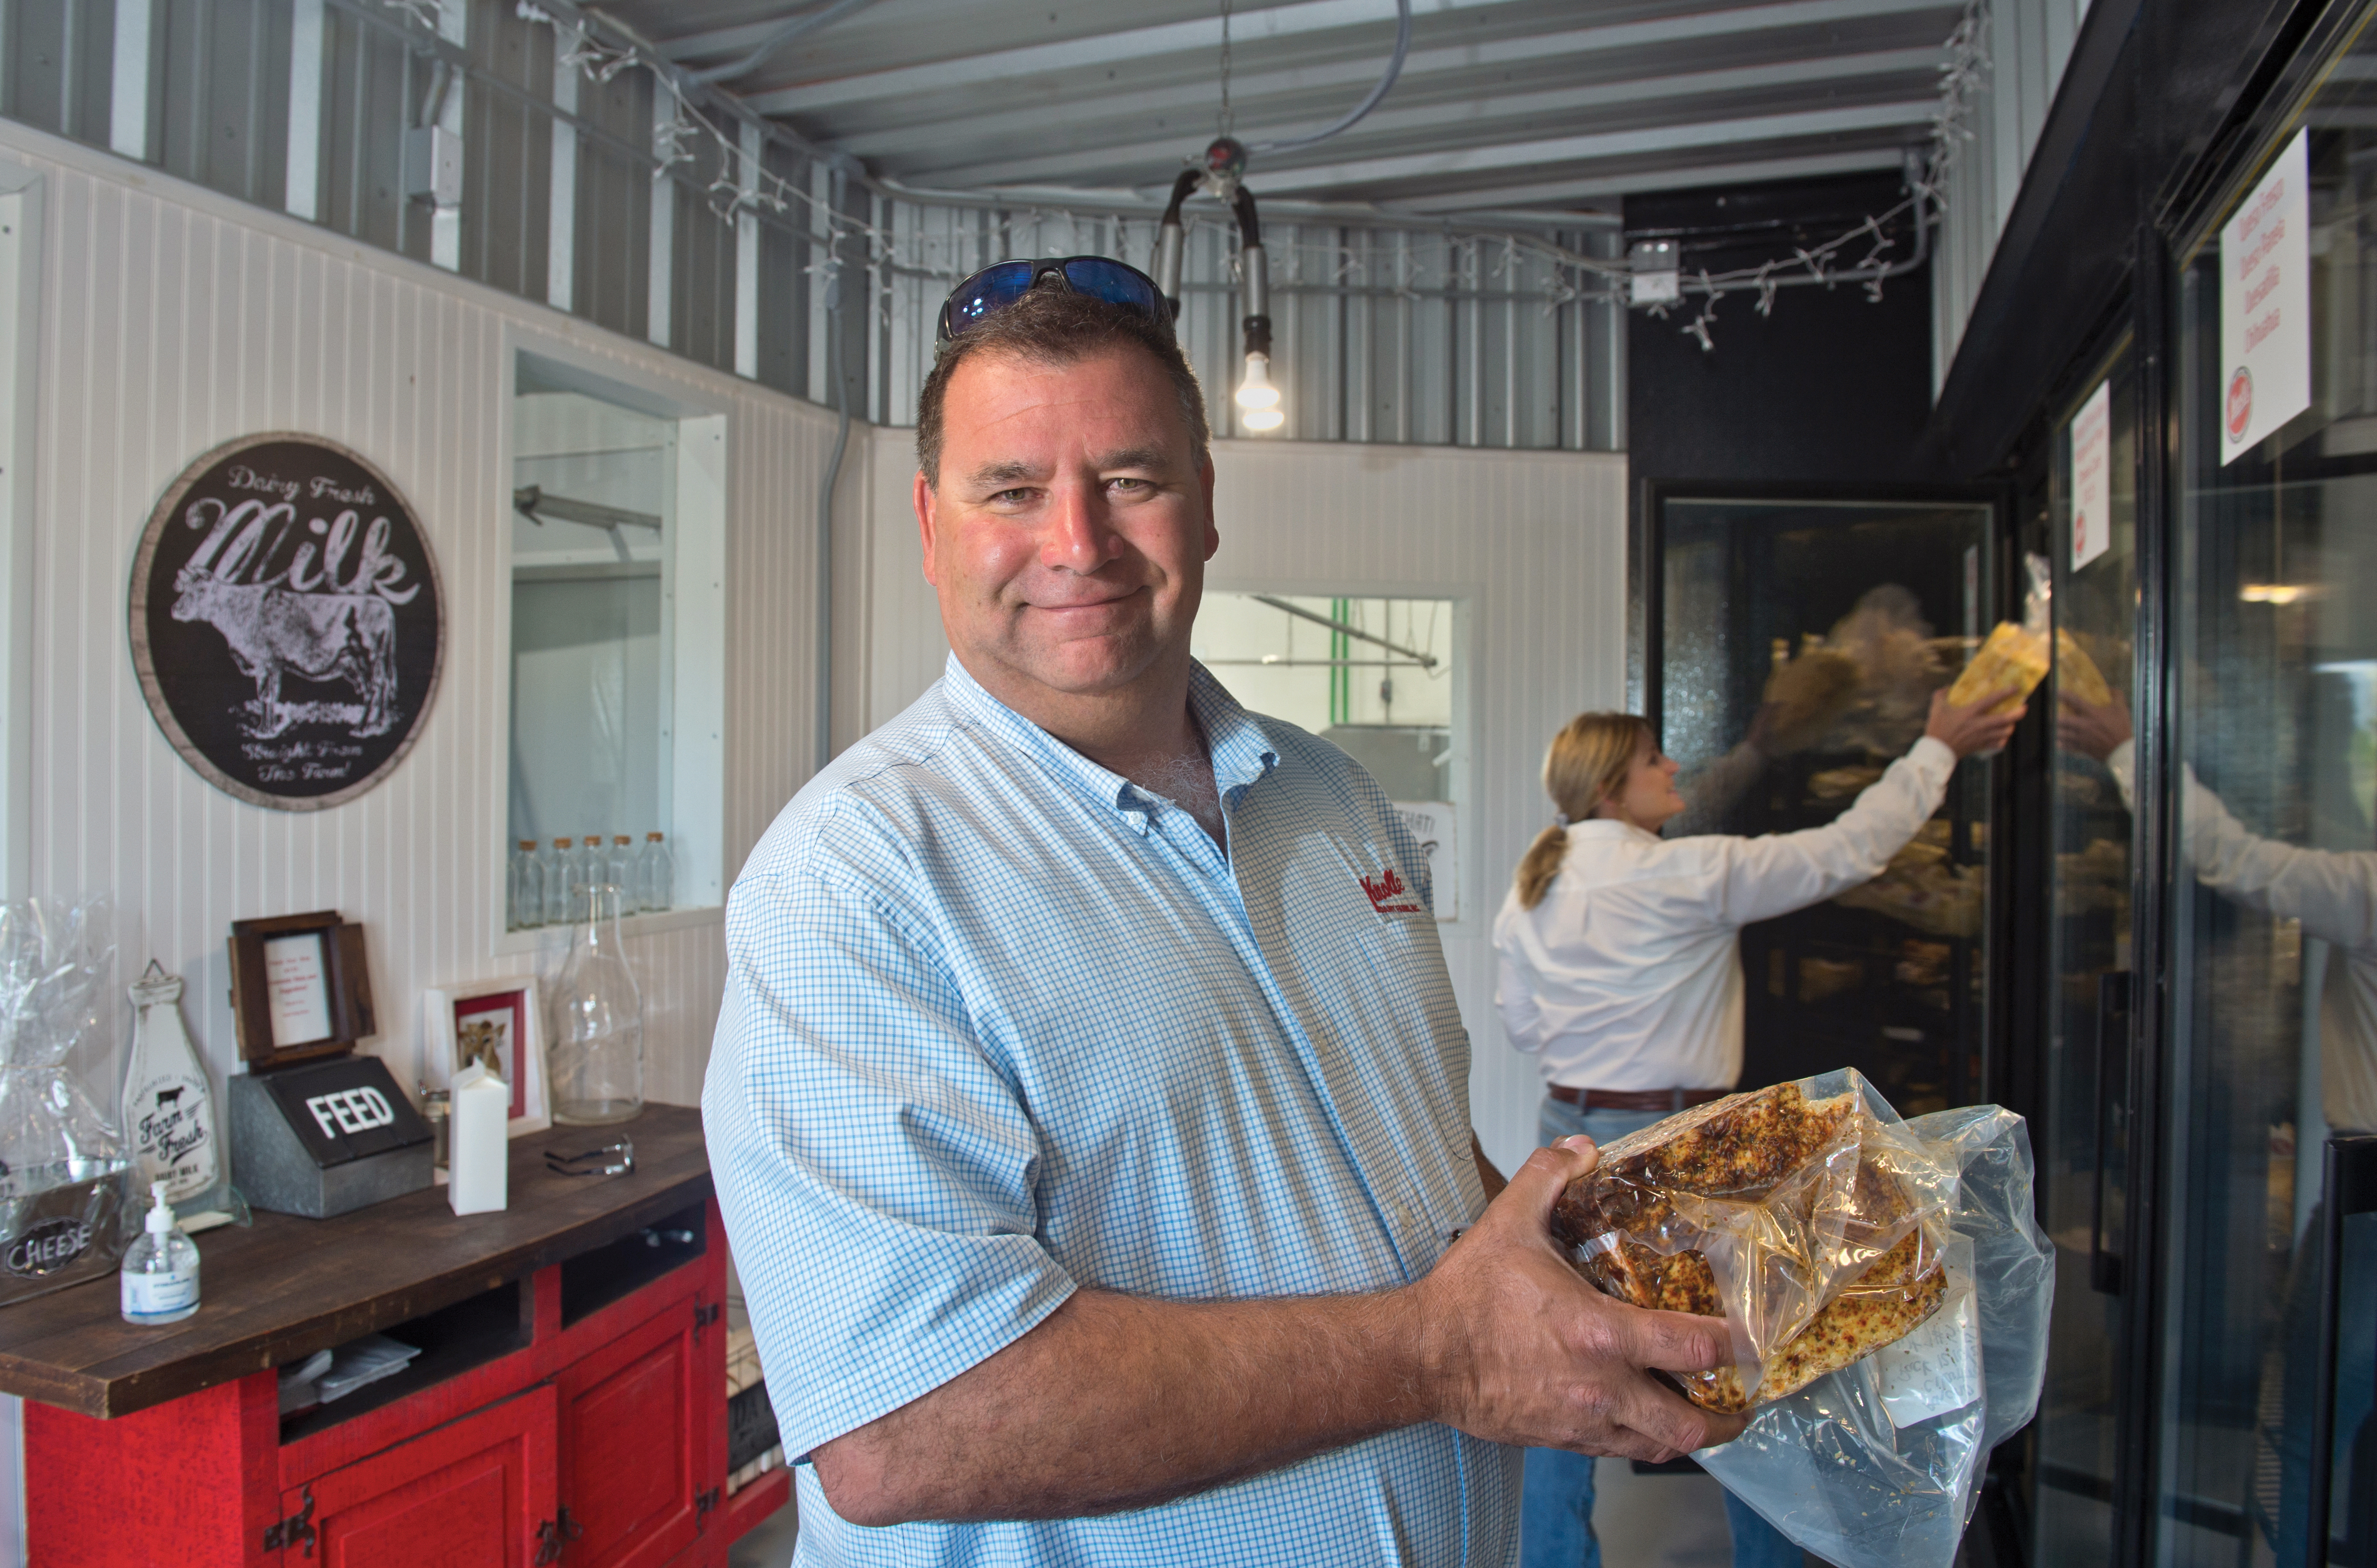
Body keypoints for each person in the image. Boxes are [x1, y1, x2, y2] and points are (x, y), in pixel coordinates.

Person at [703, 256, 1748, 1568]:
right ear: (929, 525)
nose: (1076, 542)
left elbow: (1403, 1170)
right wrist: (1438, 1353)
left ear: (1202, 506)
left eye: (1128, 480)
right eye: (1012, 492)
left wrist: (1605, 1295)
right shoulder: (854, 883)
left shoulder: (1329, 799)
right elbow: (909, 1421)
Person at [1493, 688, 2021, 1568]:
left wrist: (1762, 746)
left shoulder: (1532, 886)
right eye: (1656, 758)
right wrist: (1935, 748)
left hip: (1568, 1140)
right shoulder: (1674, 873)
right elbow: (1845, 849)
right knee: (1753, 1361)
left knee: (1576, 1363)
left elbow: (1520, 1023)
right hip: (1673, 1153)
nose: (1673, 769)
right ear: (1616, 785)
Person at [2060, 689, 2376, 1564]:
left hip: (2372, 1218)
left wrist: (2130, 750)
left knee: (2300, 1424)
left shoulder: (2367, 888)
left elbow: (2225, 857)